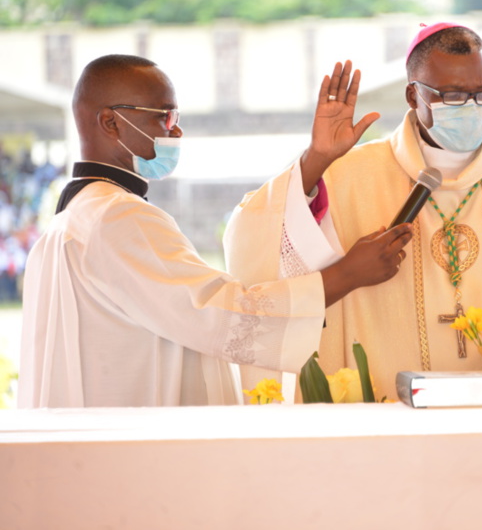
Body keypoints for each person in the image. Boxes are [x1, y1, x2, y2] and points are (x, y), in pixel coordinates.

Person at [19, 54, 411, 408]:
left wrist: (317, 158)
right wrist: (348, 274)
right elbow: (221, 315)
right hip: (140, 448)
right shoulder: (118, 217)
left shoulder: (75, 216)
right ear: (109, 121)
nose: (176, 132)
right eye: (164, 116)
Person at [224, 24, 482, 398]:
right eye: (454, 95)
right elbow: (252, 234)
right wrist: (317, 159)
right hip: (386, 406)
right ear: (414, 95)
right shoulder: (348, 172)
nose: (472, 108)